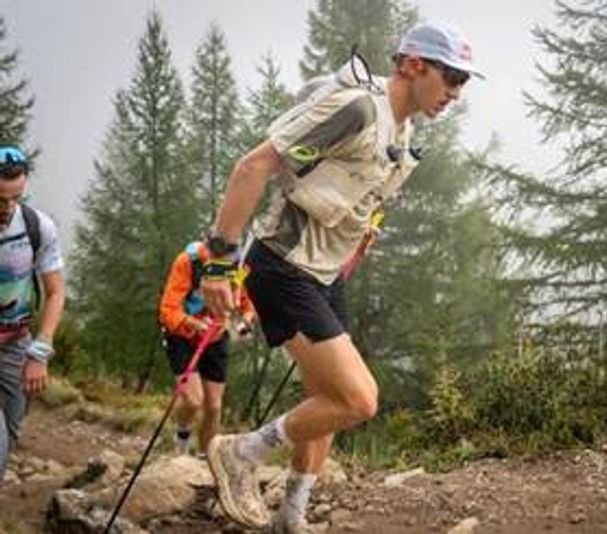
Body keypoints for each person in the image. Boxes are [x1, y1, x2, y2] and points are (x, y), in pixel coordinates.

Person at [201, 21, 483, 532]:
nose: (455, 93)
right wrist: (218, 262)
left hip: (324, 274)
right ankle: (239, 454)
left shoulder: (403, 127)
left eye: (463, 83)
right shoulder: (357, 107)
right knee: (358, 400)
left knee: (326, 397)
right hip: (284, 266)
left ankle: (292, 515)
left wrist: (364, 227)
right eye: (451, 77)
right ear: (413, 64)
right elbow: (254, 166)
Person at [0, 145, 66, 483]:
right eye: (0, 199)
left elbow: (55, 292)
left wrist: (40, 350)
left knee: (10, 432)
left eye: (15, 198)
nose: (7, 208)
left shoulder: (37, 226)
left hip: (15, 343)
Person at [159, 240, 256, 456]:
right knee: (193, 400)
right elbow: (168, 309)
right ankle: (181, 443)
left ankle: (206, 458)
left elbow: (247, 305)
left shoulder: (240, 269)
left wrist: (243, 323)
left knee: (213, 407)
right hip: (182, 334)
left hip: (216, 335)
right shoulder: (188, 262)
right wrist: (193, 324)